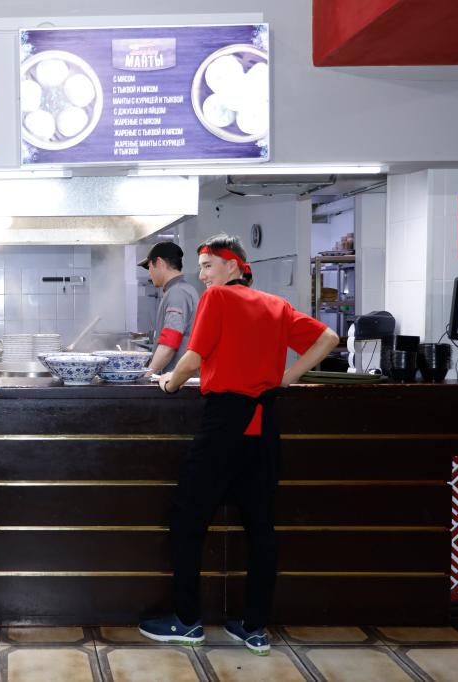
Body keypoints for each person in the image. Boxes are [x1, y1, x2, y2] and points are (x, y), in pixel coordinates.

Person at [138, 234, 338, 655]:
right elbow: (329, 339)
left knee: (188, 518)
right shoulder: (276, 305)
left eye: (208, 266)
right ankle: (254, 627)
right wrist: (286, 378)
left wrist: (169, 382)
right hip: (263, 423)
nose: (202, 275)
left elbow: (193, 358)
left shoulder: (218, 298)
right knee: (260, 527)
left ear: (233, 266)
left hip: (225, 422)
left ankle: (187, 621)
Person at [138, 241, 199, 374]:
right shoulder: (184, 289)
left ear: (159, 263)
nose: (149, 273)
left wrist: (147, 374)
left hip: (179, 381)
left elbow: (169, 343)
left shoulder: (177, 292)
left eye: (149, 267)